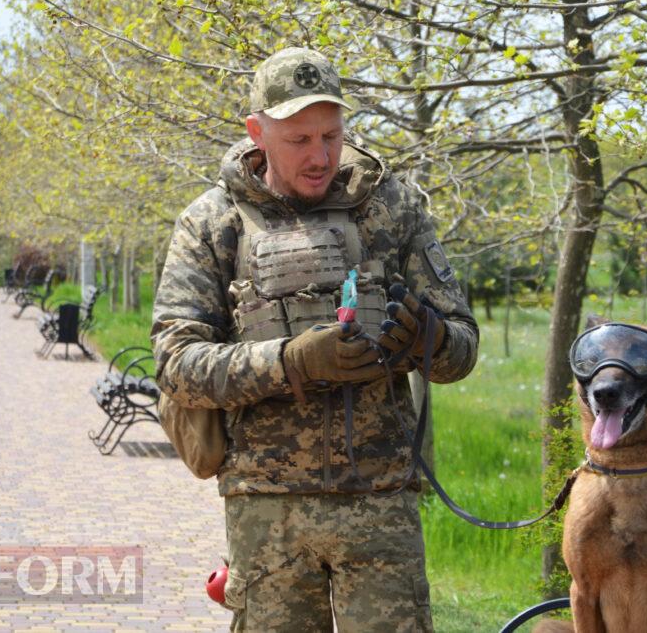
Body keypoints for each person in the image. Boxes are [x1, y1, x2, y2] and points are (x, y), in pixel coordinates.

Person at [151, 47, 479, 632]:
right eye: (299, 139)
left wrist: (425, 338)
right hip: (267, 508)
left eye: (331, 134)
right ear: (257, 132)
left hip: (381, 502)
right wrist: (290, 361)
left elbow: (462, 347)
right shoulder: (212, 223)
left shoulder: (393, 208)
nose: (321, 154)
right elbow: (176, 363)